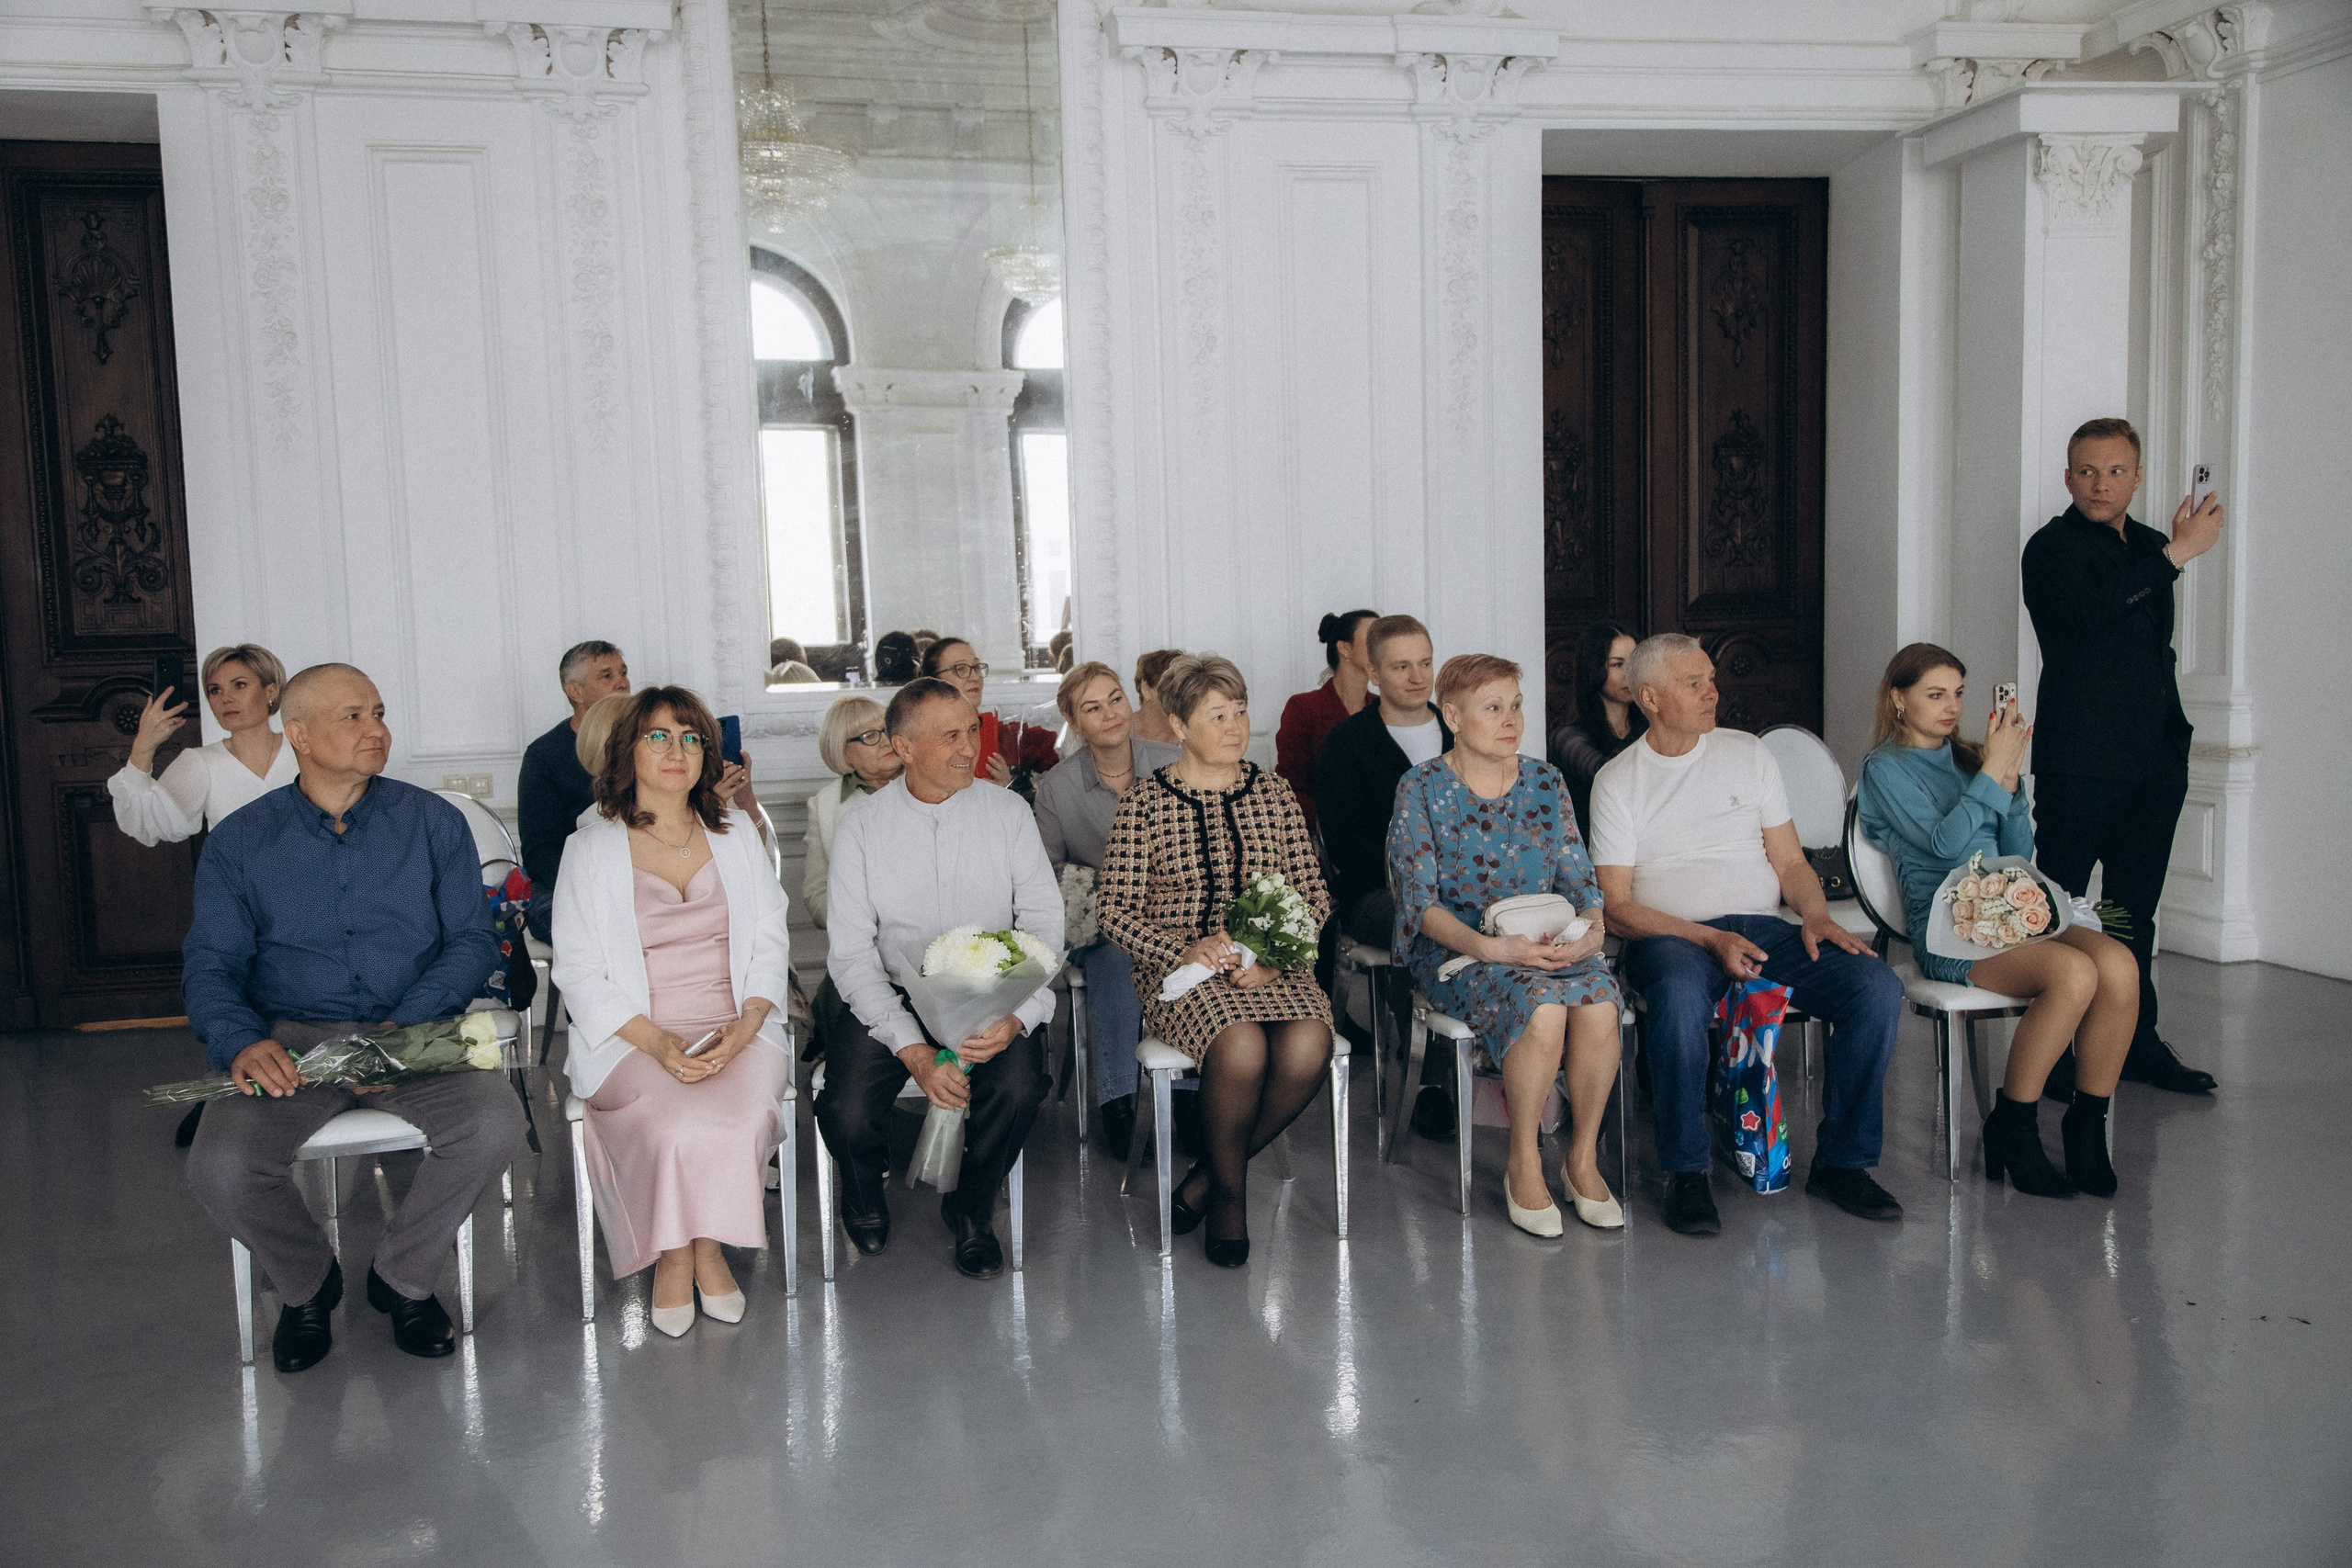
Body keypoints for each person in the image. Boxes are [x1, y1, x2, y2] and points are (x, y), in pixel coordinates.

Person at [181, 663, 516, 1373]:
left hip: (411, 1029)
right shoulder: (241, 842)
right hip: (292, 1038)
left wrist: (400, 1030)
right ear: (298, 734)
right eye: (354, 716)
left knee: (493, 1122)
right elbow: (211, 963)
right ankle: (308, 1283)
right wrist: (241, 1041)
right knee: (221, 1165)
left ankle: (401, 1277)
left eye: (380, 712)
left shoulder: (432, 822)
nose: (377, 730)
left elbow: (469, 943)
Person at [1591, 634, 1905, 1236]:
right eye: (1695, 683)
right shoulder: (1618, 780)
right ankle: (1686, 1170)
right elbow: (1618, 907)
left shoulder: (1749, 754)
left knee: (1875, 987)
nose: (1715, 691)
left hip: (1764, 928)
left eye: (1712, 678)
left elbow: (1789, 864)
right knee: (1682, 1002)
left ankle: (1844, 1161)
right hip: (1671, 937)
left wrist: (1814, 912)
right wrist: (1706, 938)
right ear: (1650, 697)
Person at [550, 687, 795, 1337]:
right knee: (670, 1124)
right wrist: (657, 1044)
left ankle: (708, 1248)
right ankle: (674, 1255)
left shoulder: (738, 832)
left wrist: (747, 1023)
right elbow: (576, 968)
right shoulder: (590, 847)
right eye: (658, 736)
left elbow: (772, 937)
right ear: (628, 749)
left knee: (738, 1115)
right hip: (631, 1033)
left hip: (737, 1021)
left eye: (691, 738)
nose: (677, 750)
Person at [1856, 645, 2135, 1198]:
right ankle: (2015, 1123)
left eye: (1958, 694)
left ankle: (2086, 1123)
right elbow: (1945, 844)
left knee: (2120, 965)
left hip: (2007, 910)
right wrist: (1992, 772)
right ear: (1898, 698)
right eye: (1935, 695)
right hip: (1948, 928)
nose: (1950, 707)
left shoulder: (1970, 760)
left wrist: (2009, 784)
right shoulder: (1883, 768)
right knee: (2073, 975)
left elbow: (2019, 854)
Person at [1096, 655, 1336, 1269]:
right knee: (1242, 1045)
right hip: (1184, 975)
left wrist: (1278, 959)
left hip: (1274, 966)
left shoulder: (1274, 791)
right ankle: (1229, 1200)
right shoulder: (1146, 802)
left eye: (1240, 711)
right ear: (1178, 725)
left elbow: (1312, 892)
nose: (1235, 726)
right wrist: (1183, 948)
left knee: (1310, 1042)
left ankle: (1203, 1178)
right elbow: (1114, 912)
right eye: (1217, 714)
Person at [820, 678, 1058, 1280]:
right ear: (902, 748)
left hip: (995, 989)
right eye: (949, 735)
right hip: (890, 989)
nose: (968, 747)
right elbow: (850, 953)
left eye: (971, 730)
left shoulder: (1009, 812)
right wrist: (913, 1047)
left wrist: (1016, 1016)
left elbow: (1044, 926)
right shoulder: (860, 826)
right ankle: (864, 1191)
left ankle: (971, 1209)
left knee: (1019, 1087)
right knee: (845, 1108)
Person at [1388, 655, 1624, 1234]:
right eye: (1493, 708)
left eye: (1515, 705)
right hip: (1459, 950)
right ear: (1453, 715)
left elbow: (1579, 879)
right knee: (1542, 1008)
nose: (1511, 719)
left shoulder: (1546, 781)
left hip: (1547, 942)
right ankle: (1523, 1161)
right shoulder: (1421, 787)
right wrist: (1493, 950)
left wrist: (1591, 931)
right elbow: (1419, 905)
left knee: (1598, 1002)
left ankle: (1582, 1159)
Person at [2022, 416, 2222, 1098]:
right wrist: (2173, 557)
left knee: (2134, 912)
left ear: (2136, 476)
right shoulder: (2050, 549)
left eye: (2115, 471)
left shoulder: (2149, 544)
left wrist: (2175, 739)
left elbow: (2146, 652)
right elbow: (2083, 621)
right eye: (2087, 470)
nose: (2100, 483)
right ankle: (2048, 1053)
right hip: (2079, 762)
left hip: (2152, 763)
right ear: (2067, 476)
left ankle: (2134, 1040)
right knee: (2059, 908)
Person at [1032, 660, 1180, 1157]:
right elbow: (1048, 874)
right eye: (1092, 708)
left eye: (1115, 698)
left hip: (1179, 914)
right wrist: (1115, 904)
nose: (1111, 713)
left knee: (1186, 955)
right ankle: (1119, 1100)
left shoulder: (1174, 760)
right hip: (1100, 925)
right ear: (1075, 723)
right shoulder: (1057, 787)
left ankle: (1187, 1095)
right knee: (1121, 956)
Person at [1315, 615, 1454, 1136]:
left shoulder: (1459, 729)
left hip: (1461, 888)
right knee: (1424, 923)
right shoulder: (1346, 743)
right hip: (1375, 892)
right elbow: (1348, 846)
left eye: (1425, 662)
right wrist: (1425, 883)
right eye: (1401, 666)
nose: (1418, 677)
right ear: (1371, 671)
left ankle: (1504, 1054)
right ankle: (1431, 1078)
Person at [110, 643, 298, 844]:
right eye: (215, 690)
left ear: (270, 692)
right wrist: (143, 745)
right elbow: (148, 825)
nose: (226, 698)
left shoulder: (304, 751)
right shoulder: (201, 763)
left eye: (239, 685)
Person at [518, 641, 631, 942]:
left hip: (635, 877)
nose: (622, 682)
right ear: (575, 691)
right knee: (600, 935)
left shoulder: (646, 744)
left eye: (623, 672)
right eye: (606, 676)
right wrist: (595, 888)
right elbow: (540, 851)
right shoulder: (543, 755)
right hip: (563, 884)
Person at [803, 694, 900, 930]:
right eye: (870, 736)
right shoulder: (824, 804)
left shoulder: (926, 782)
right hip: (859, 935)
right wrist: (853, 923)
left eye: (888, 729)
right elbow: (816, 891)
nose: (886, 741)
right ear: (844, 752)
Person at [1275, 609, 1377, 832]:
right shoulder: (1303, 708)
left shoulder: (1382, 709)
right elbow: (1290, 787)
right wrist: (1330, 823)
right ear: (1345, 648)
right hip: (1323, 839)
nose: (1383, 645)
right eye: (1374, 637)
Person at [1547, 621, 1645, 839]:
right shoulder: (1567, 738)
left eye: (1635, 663)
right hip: (1594, 851)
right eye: (1618, 665)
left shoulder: (1646, 726)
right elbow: (1608, 776)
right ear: (1593, 667)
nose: (1630, 674)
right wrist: (1656, 714)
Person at [921, 636, 1058, 790]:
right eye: (961, 669)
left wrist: (1007, 788)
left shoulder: (993, 734)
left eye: (977, 667)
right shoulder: (921, 739)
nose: (975, 677)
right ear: (931, 681)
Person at [1131, 649, 1186, 747]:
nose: (1181, 696)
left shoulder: (1190, 735)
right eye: (1171, 688)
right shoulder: (1120, 732)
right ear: (1146, 689)